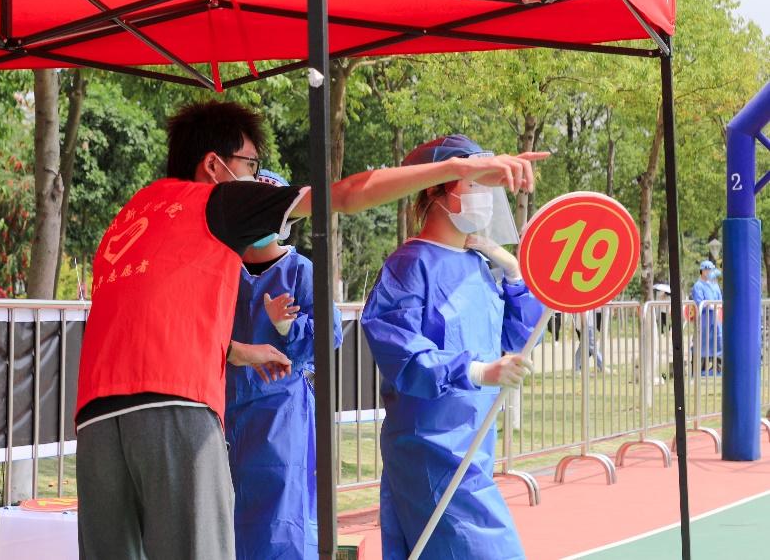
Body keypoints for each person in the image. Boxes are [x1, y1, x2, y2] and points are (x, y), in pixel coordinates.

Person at [74, 102, 546, 559]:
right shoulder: (218, 201)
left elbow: (154, 320)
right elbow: (347, 194)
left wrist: (240, 351)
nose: (256, 179)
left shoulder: (135, 213)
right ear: (214, 166)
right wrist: (457, 167)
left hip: (97, 418)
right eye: (251, 165)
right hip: (174, 410)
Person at [360, 134, 545, 560]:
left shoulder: (479, 265)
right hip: (430, 449)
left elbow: (515, 340)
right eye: (473, 182)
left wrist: (515, 276)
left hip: (473, 448)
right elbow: (403, 354)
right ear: (435, 190)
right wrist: (477, 372)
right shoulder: (409, 266)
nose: (484, 196)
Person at [224, 169, 343, 560]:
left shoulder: (301, 272)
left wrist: (288, 327)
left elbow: (329, 338)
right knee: (223, 513)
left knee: (281, 516)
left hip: (281, 413)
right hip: (223, 408)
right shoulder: (223, 269)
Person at [691, 260, 723, 374]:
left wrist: (718, 306)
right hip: (704, 319)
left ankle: (718, 368)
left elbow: (720, 299)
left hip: (716, 319)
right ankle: (700, 369)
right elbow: (699, 301)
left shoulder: (715, 285)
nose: (710, 272)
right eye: (708, 269)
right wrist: (710, 305)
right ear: (702, 271)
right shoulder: (698, 286)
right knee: (703, 343)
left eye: (711, 269)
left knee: (718, 341)